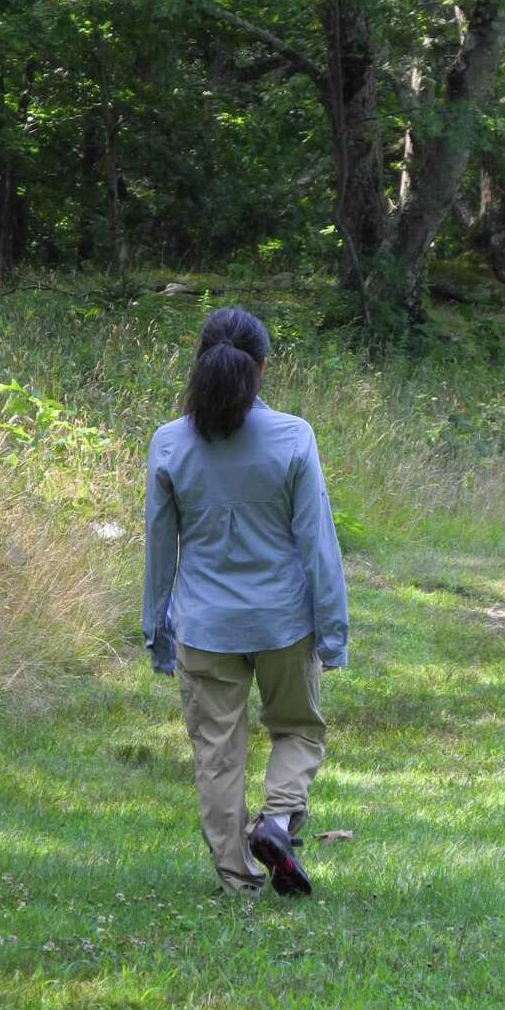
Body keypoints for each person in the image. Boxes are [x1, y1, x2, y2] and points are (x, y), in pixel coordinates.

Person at [142, 307, 349, 897]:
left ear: (201, 363)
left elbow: (159, 547)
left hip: (204, 625)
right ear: (261, 368)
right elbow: (317, 544)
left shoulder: (169, 443)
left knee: (217, 753)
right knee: (298, 730)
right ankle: (277, 822)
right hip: (284, 621)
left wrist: (156, 631)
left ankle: (239, 880)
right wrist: (332, 631)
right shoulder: (293, 436)